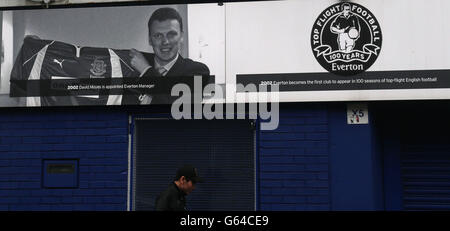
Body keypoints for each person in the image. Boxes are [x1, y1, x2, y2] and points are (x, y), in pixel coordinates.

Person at [124, 7, 210, 105]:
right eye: (158, 36)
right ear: (150, 40)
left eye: (171, 34)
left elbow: (179, 107)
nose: (165, 42)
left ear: (181, 37)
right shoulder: (132, 64)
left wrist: (146, 71)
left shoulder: (198, 70)